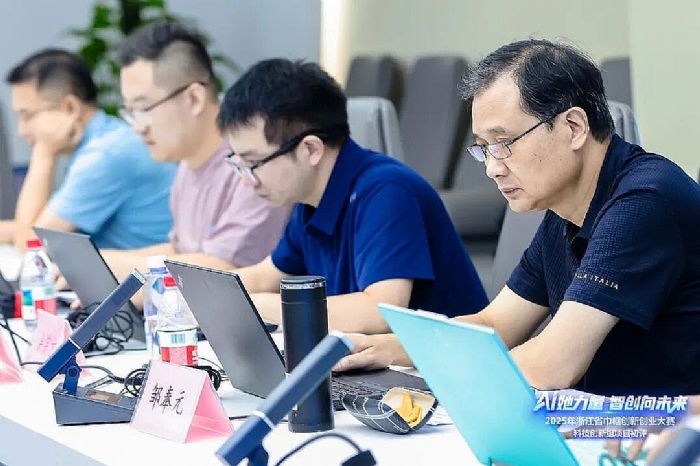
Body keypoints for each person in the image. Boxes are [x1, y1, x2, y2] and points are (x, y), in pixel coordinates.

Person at [335, 39, 700, 397]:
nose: (492, 168)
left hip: (669, 429)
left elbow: (553, 364)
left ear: (574, 127)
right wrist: (385, 348)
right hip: (603, 420)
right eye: (484, 148)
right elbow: (494, 325)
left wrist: (439, 380)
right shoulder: (565, 209)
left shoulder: (645, 200)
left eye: (504, 143)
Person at [218, 58, 487, 334]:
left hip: (442, 358)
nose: (246, 181)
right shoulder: (310, 200)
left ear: (311, 149)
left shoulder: (387, 191)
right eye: (239, 164)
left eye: (253, 163)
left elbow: (380, 311)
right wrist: (207, 294)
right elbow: (265, 277)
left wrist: (258, 305)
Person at [102, 21, 290, 278]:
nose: (138, 127)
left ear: (194, 98)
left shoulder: (254, 161)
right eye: (130, 111)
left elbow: (223, 270)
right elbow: (181, 251)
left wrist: (108, 266)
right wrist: (103, 261)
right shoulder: (188, 161)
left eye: (144, 109)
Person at [0, 49, 176, 250]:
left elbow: (30, 243)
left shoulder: (104, 156)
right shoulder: (108, 137)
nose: (21, 131)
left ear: (70, 108)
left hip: (148, 269)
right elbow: (30, 228)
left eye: (27, 116)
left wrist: (44, 154)